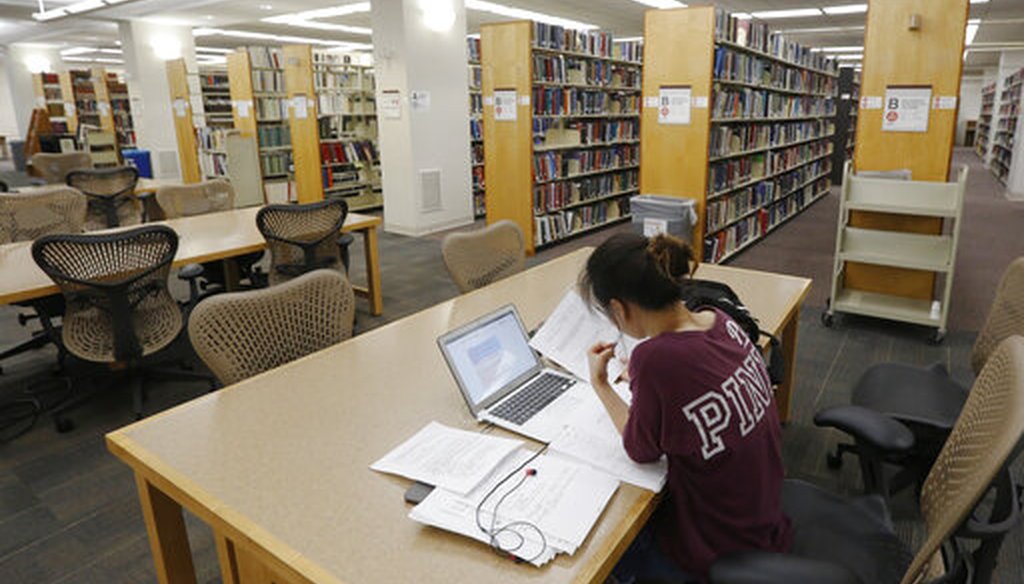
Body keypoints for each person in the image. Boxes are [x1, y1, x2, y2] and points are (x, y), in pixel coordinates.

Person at [579, 232, 792, 584]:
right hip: (763, 517)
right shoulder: (719, 320)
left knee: (605, 540)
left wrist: (601, 384)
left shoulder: (655, 359)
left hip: (718, 549)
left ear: (619, 309)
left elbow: (639, 450)